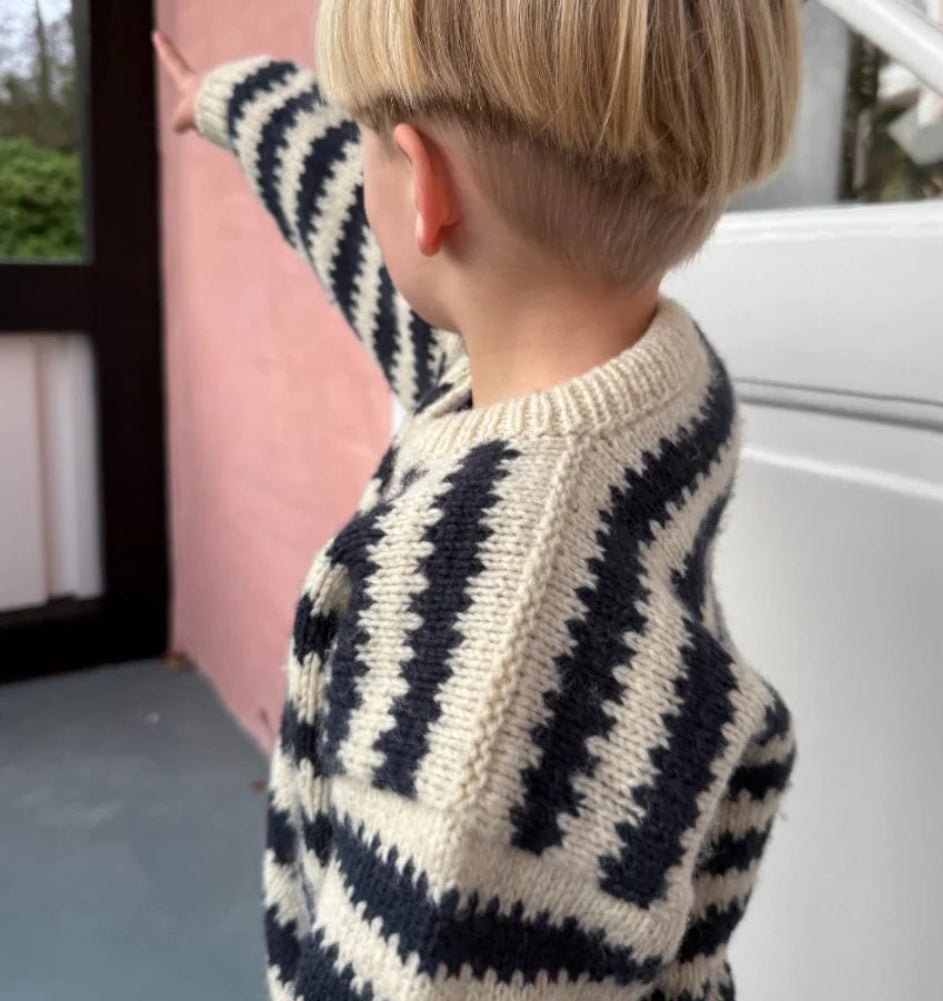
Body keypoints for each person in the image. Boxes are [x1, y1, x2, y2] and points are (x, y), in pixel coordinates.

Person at [154, 1, 802, 997]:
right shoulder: (648, 389)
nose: (356, 170)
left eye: (368, 136)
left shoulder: (486, 635)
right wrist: (231, 100)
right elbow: (350, 220)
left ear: (426, 189)